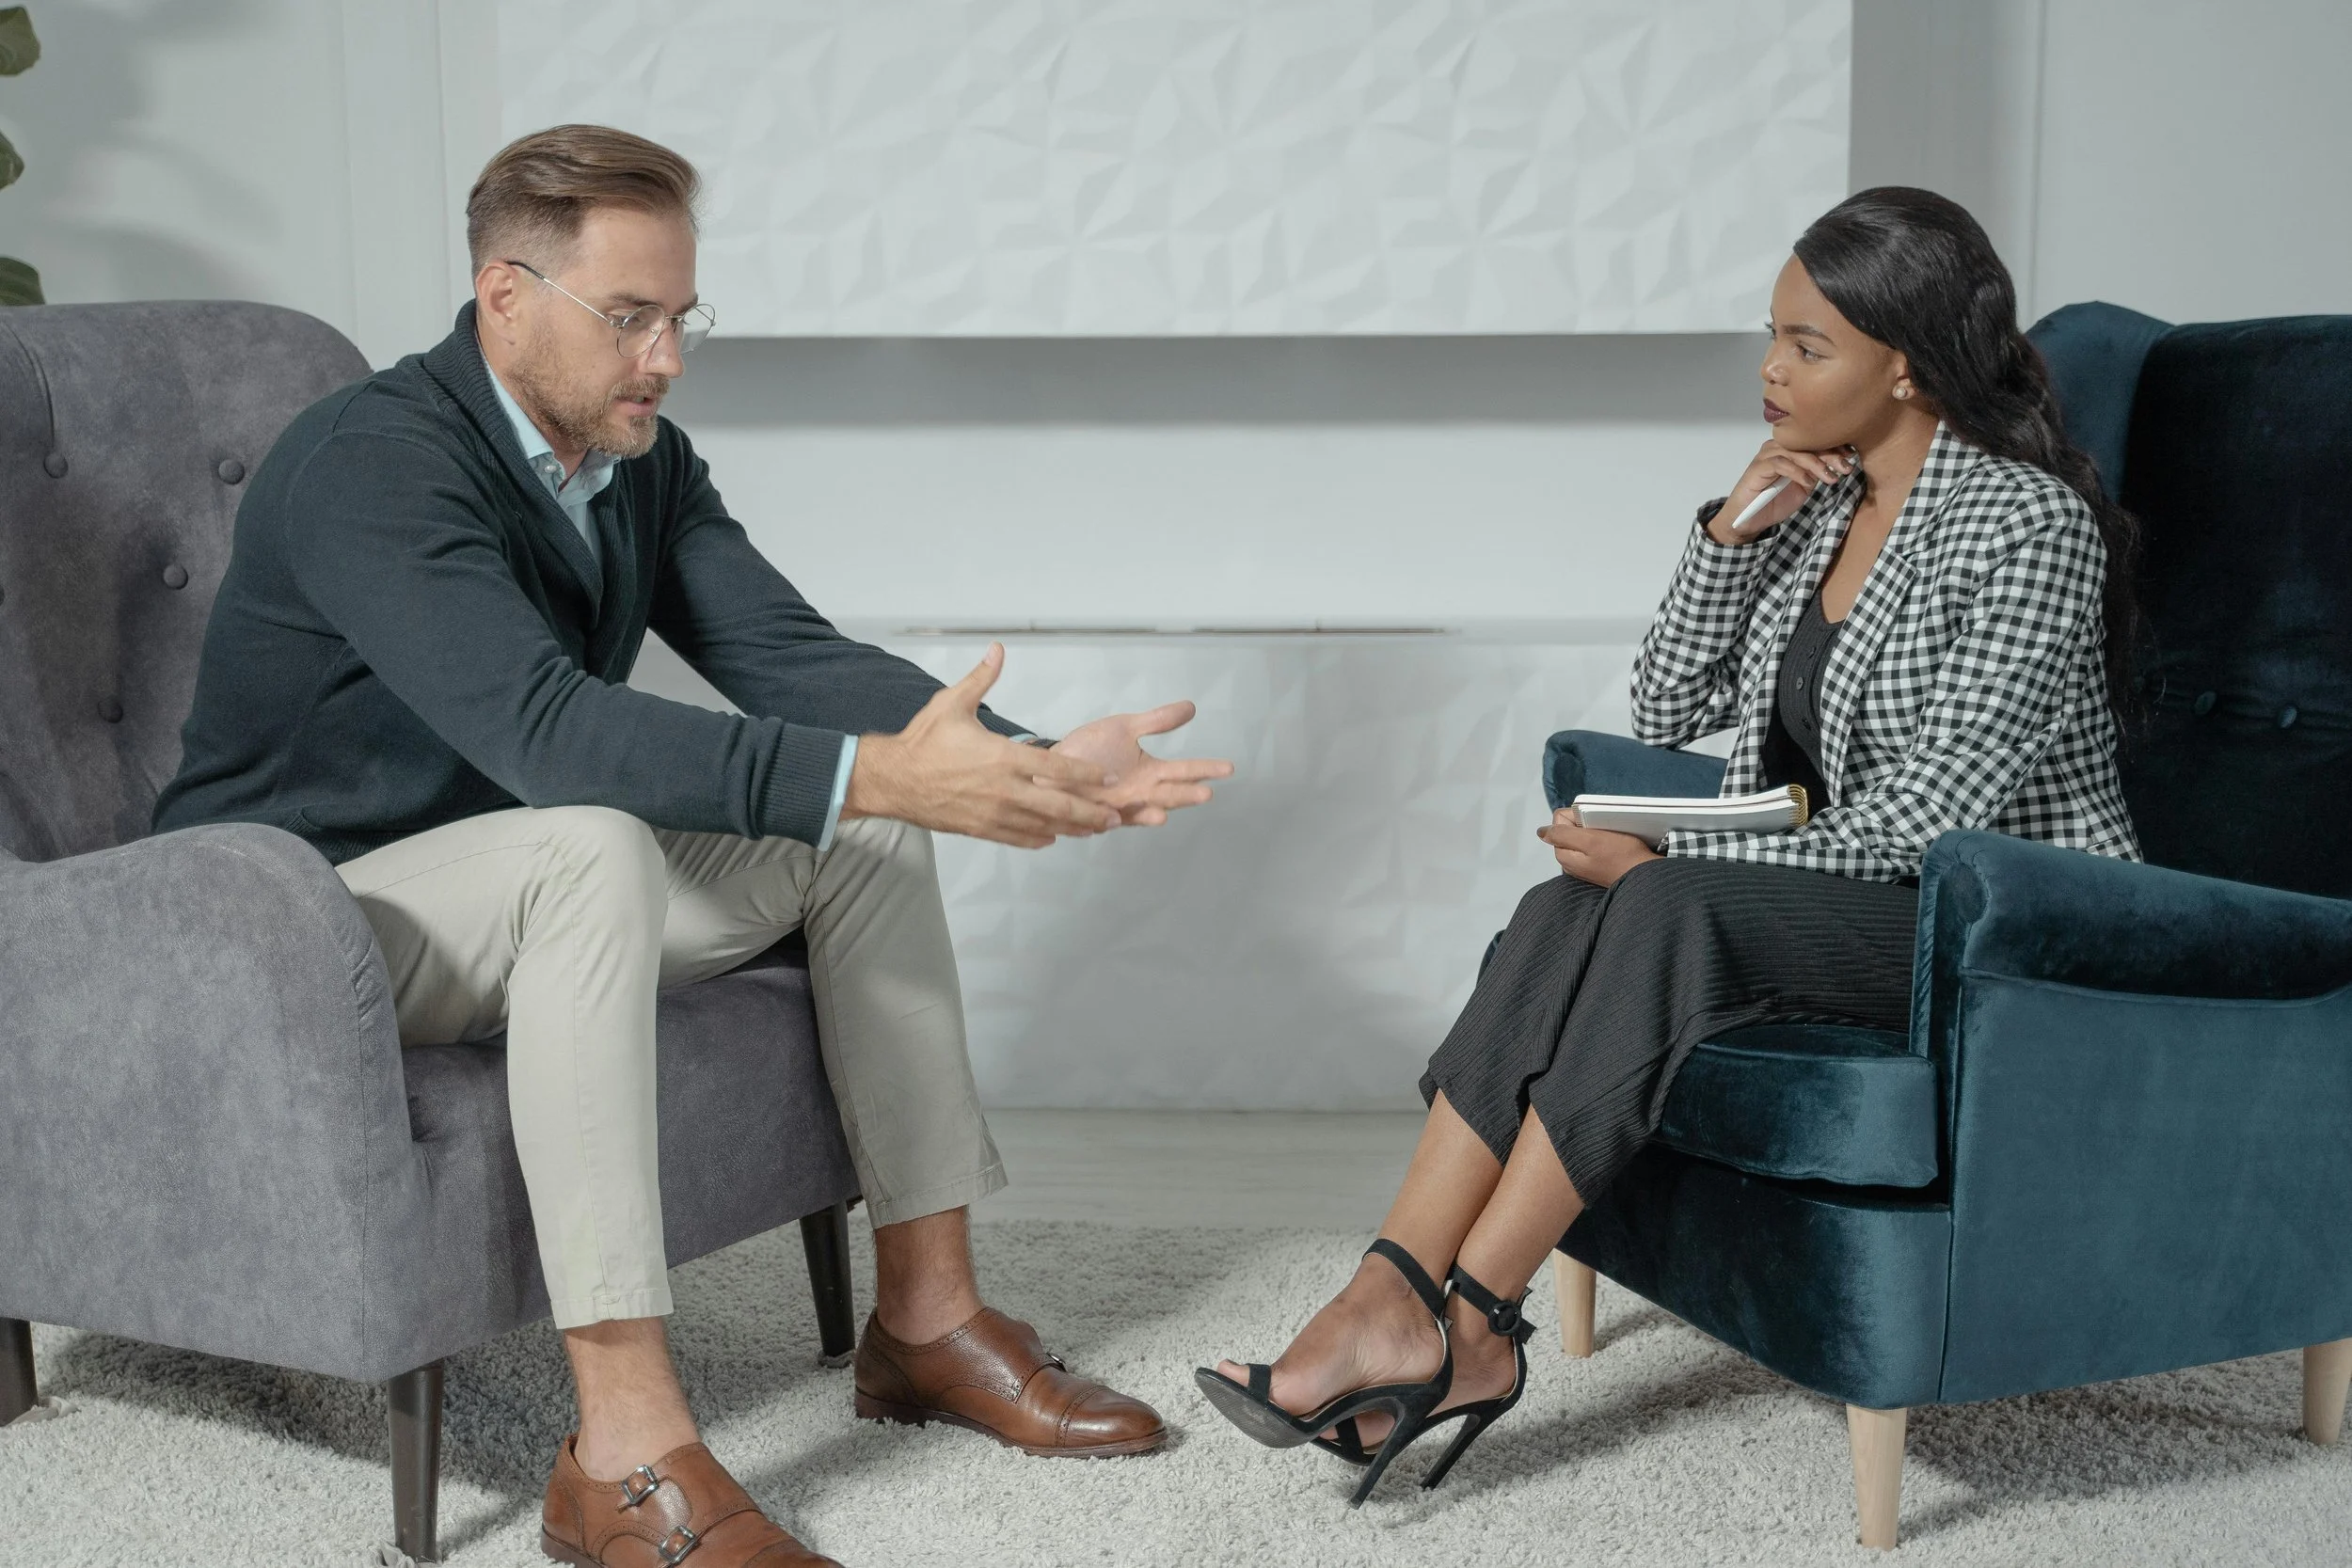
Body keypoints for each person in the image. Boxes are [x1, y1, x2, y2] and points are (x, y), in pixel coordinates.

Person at [153, 124, 1232, 1568]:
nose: (665, 357)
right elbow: (549, 732)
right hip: (287, 919)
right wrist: (884, 771)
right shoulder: (374, 462)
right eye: (630, 319)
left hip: (509, 889)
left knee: (857, 830)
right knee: (602, 834)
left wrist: (1023, 762)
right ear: (504, 295)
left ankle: (928, 1320)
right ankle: (622, 1450)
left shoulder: (631, 458)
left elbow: (782, 653)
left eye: (681, 318)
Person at [1197, 185, 2143, 1503]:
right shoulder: (1817, 504)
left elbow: (1937, 822)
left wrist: (1672, 871)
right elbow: (1669, 702)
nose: (1770, 370)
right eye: (1771, 334)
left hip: (1998, 927)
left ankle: (1468, 1323)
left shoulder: (2026, 528)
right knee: (1558, 911)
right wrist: (1724, 533)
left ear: (1907, 364)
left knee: (1658, 906)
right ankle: (1391, 1291)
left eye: (1808, 346)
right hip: (1853, 898)